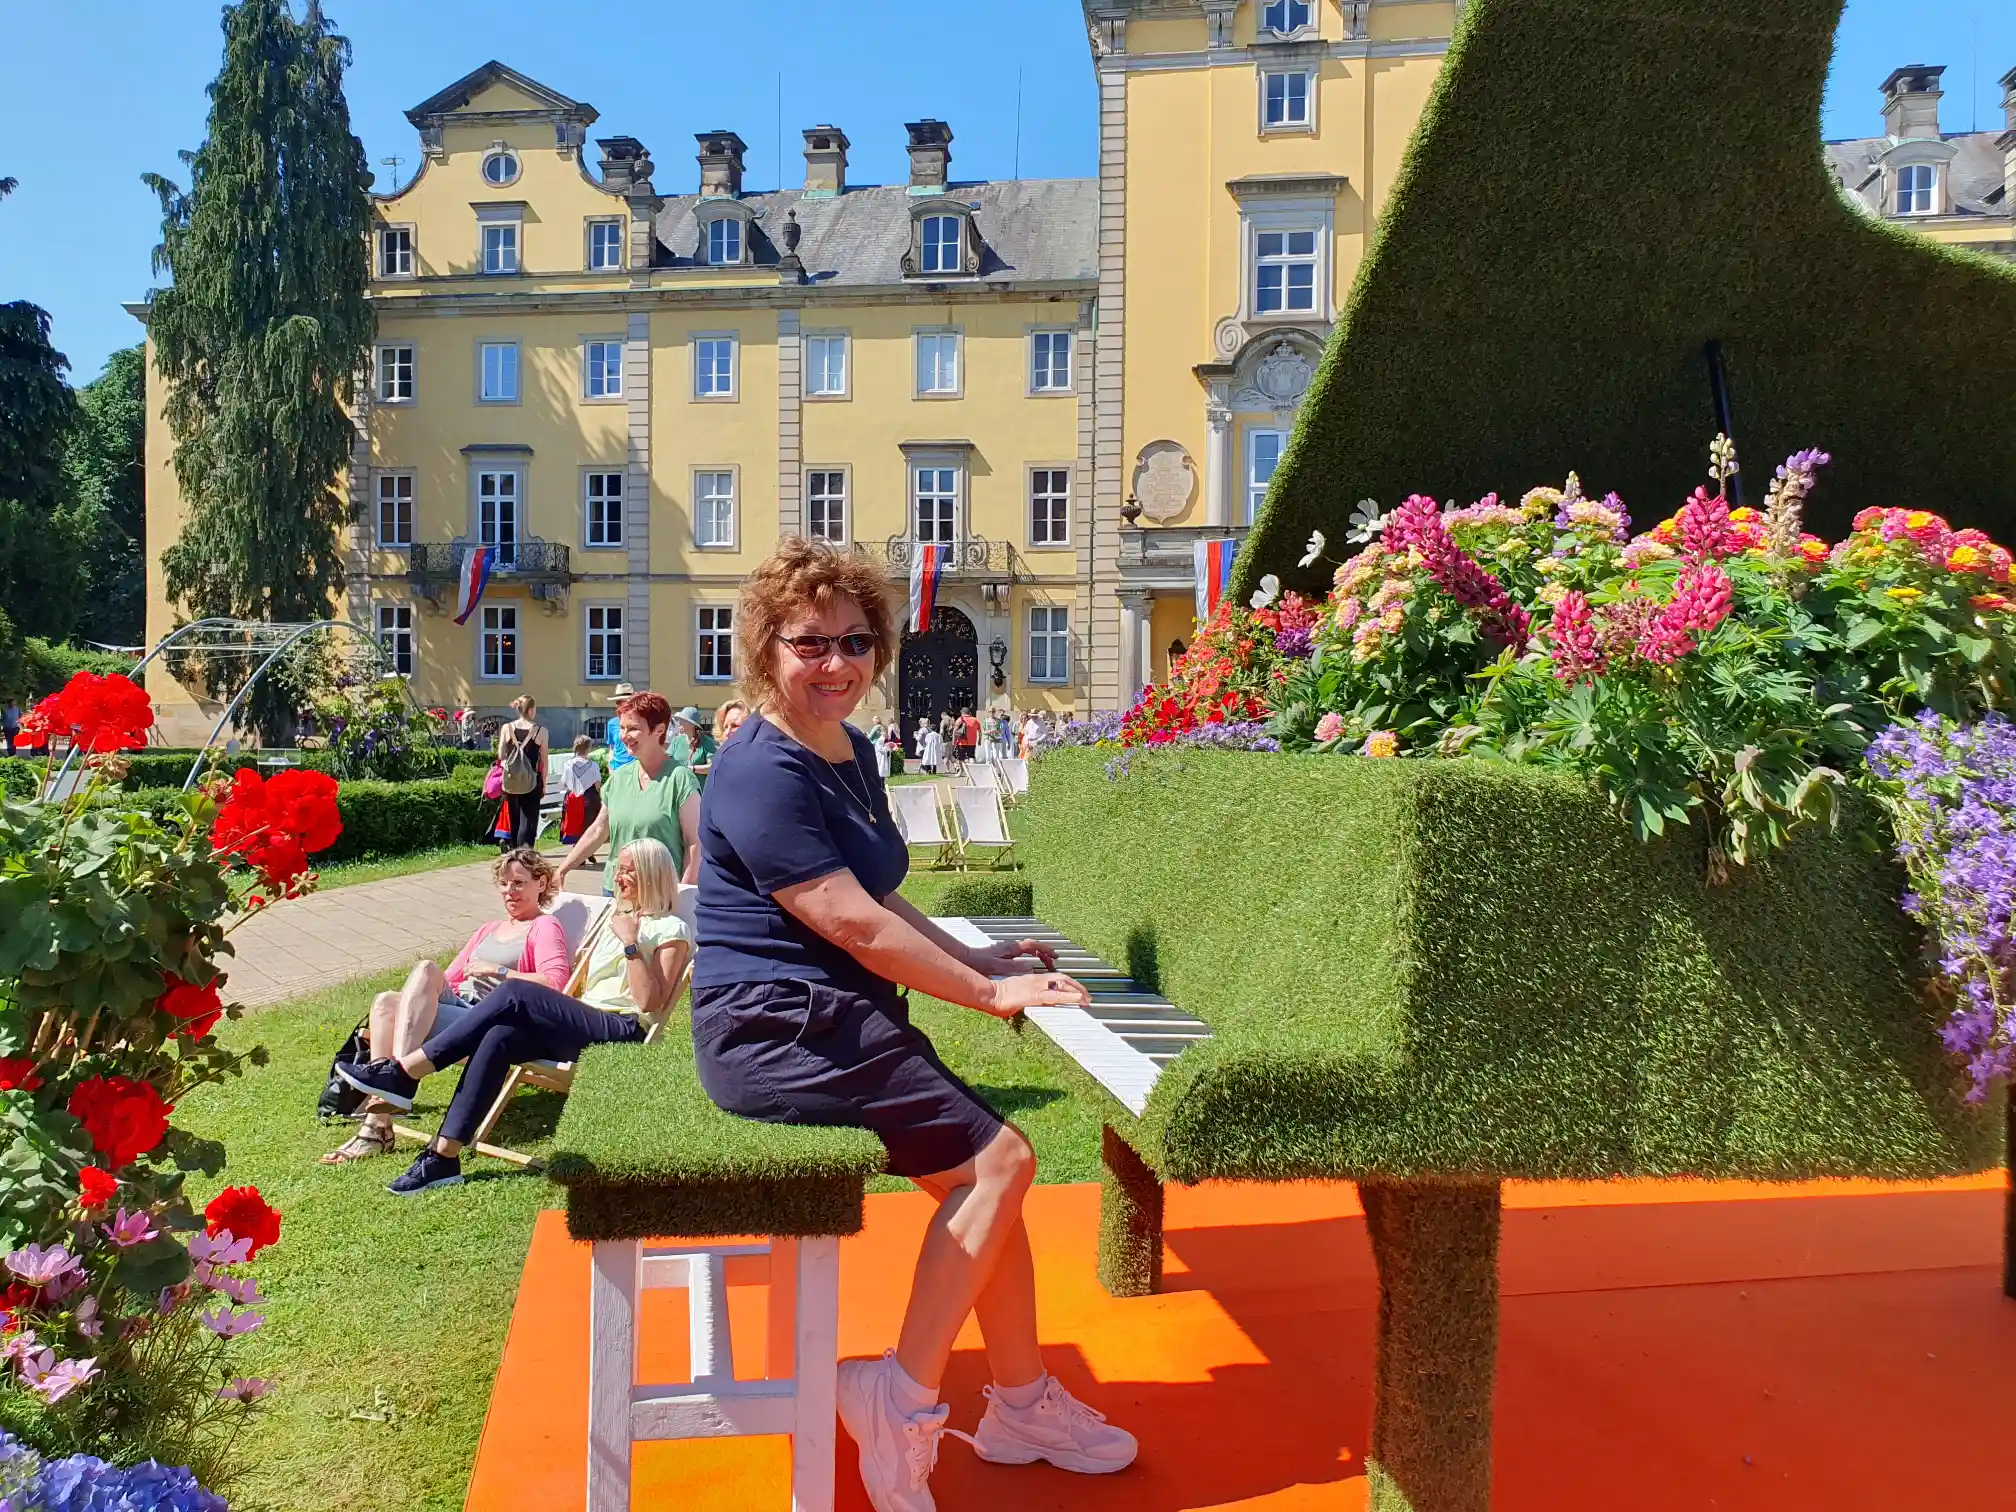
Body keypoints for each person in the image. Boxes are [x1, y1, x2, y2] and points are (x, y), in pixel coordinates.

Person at [691, 541, 1134, 1510]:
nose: (838, 662)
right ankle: (896, 1399)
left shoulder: (849, 750)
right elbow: (844, 921)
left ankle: (1020, 1404)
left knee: (988, 1181)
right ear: (767, 648)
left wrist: (984, 960)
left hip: (831, 1014)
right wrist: (989, 997)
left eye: (856, 641)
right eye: (812, 643)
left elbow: (878, 896)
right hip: (774, 1028)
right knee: (1002, 1164)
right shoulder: (760, 766)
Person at [341, 838, 693, 1195]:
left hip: (625, 1029)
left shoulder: (671, 930)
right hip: (585, 1023)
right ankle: (442, 1157)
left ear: (651, 874)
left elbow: (649, 1002)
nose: (617, 877)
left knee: (514, 991)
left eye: (628, 871)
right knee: (499, 1035)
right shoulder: (616, 921)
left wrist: (631, 944)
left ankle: (404, 1073)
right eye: (618, 869)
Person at [320, 848, 570, 1165]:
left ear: (542, 883)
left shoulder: (544, 926)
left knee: (424, 969)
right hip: (460, 1006)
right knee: (386, 1002)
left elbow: (555, 982)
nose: (510, 891)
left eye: (519, 883)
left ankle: (397, 1083)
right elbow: (448, 979)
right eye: (504, 883)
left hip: (490, 1019)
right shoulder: (489, 929)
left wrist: (499, 971)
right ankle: (380, 1117)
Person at [555, 691, 702, 890]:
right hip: (617, 891)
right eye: (622, 728)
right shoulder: (619, 778)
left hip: (660, 895)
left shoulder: (680, 779)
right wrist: (562, 869)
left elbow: (695, 844)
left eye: (633, 729)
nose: (624, 736)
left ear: (659, 730)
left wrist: (684, 894)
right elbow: (598, 830)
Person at [496, 696, 549, 851]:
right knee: (529, 820)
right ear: (531, 710)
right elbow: (544, 760)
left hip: (511, 780)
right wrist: (543, 782)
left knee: (514, 819)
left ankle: (514, 851)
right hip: (531, 780)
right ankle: (525, 851)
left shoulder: (507, 728)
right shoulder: (541, 731)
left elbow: (501, 755)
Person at [558, 735, 603, 854]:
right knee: (589, 824)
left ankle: (577, 848)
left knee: (575, 825)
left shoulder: (568, 764)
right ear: (588, 748)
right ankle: (587, 850)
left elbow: (564, 783)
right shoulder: (594, 765)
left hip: (573, 797)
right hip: (590, 798)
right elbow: (597, 784)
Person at [669, 706, 718, 780]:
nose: (679, 723)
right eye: (679, 720)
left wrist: (692, 769)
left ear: (692, 724)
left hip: (698, 786)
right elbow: (667, 762)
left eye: (682, 720)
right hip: (679, 785)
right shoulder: (676, 741)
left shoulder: (707, 742)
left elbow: (711, 767)